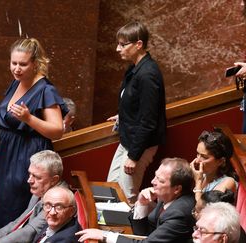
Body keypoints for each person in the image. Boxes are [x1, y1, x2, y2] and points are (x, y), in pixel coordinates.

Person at [0, 38, 68, 230]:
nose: (17, 68)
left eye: (23, 64)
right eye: (13, 63)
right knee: (2, 205)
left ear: (35, 63)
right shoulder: (16, 83)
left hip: (27, 157)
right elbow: (11, 123)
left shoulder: (45, 89)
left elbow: (57, 131)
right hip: (7, 156)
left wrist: (29, 118)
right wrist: (0, 142)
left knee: (17, 207)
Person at [106, 21, 167, 204]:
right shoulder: (134, 67)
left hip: (139, 145)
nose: (118, 49)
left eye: (123, 44)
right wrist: (123, 115)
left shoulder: (148, 74)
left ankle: (127, 232)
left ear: (138, 44)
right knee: (111, 189)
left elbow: (149, 120)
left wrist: (134, 156)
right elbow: (134, 101)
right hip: (128, 139)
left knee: (126, 197)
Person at [76, 157, 196, 243]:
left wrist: (105, 235)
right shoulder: (166, 197)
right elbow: (143, 233)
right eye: (155, 176)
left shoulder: (179, 213)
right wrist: (142, 204)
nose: (153, 182)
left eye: (160, 180)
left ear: (177, 189)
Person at [0, 150, 68, 243]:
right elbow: (18, 222)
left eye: (37, 177)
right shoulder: (40, 191)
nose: (29, 180)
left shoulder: (58, 201)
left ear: (54, 180)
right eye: (30, 174)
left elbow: (29, 232)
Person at [190, 130, 237, 213]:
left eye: (204, 157)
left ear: (221, 161)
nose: (197, 161)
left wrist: (198, 182)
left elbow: (203, 211)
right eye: (198, 154)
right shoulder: (203, 174)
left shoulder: (228, 182)